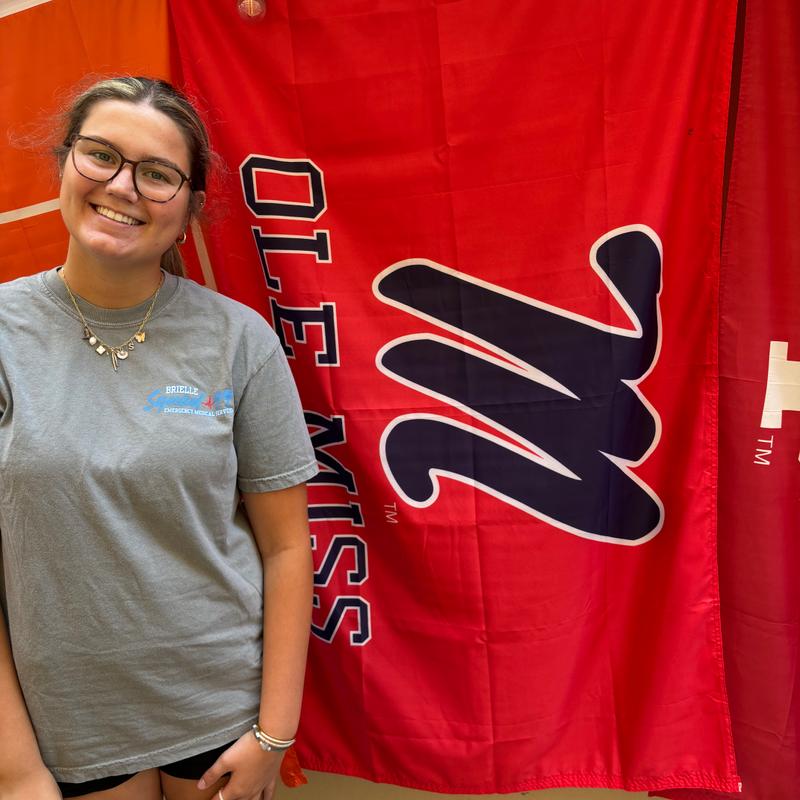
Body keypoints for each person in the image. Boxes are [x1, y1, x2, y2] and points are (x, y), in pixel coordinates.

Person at [0, 76, 318, 800]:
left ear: (188, 208)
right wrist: (14, 767)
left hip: (222, 714)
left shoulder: (238, 340)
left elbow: (285, 547)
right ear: (64, 163)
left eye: (157, 173)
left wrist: (274, 734)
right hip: (65, 725)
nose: (123, 186)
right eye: (101, 155)